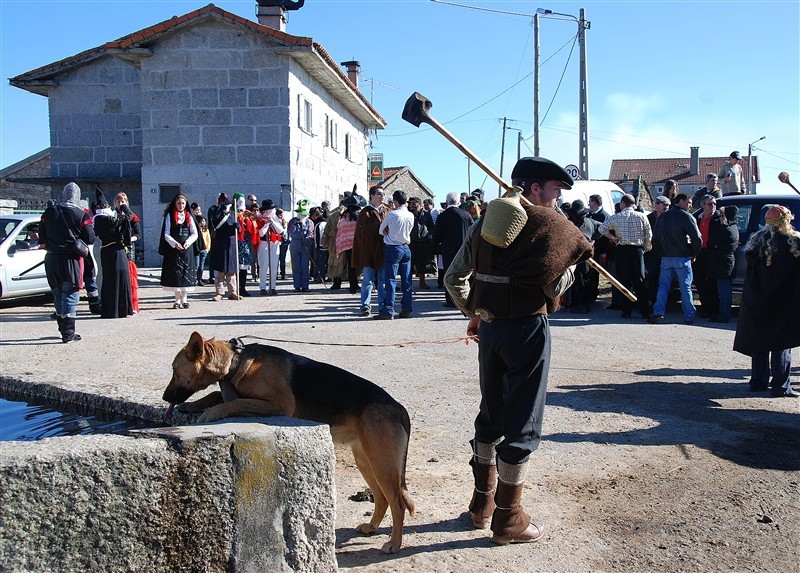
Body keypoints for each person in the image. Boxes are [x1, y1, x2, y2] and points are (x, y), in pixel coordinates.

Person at [445, 156, 592, 545]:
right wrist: (574, 263)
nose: (558, 200)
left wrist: (476, 311)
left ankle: (481, 506)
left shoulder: (483, 221)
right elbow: (554, 289)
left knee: (490, 417)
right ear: (534, 189)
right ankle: (508, 520)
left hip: (490, 331)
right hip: (527, 329)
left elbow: (452, 276)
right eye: (555, 190)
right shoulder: (551, 229)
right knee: (523, 424)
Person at [733, 205, 800, 397]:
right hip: (783, 302)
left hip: (758, 300)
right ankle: (781, 386)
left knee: (760, 342)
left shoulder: (757, 241)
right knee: (781, 343)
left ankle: (758, 382)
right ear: (786, 221)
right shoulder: (793, 243)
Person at [40, 182, 95, 343]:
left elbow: (41, 235)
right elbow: (90, 237)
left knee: (57, 294)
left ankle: (62, 328)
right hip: (71, 259)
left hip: (51, 258)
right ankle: (68, 333)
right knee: (70, 295)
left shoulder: (49, 212)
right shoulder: (81, 214)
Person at [649, 194, 702, 324]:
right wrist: (693, 253)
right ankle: (689, 315)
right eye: (688, 202)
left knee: (663, 286)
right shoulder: (686, 216)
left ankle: (658, 311)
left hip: (666, 258)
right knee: (685, 287)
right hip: (682, 257)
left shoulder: (663, 217)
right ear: (681, 201)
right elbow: (697, 238)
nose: (690, 205)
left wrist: (662, 252)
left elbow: (655, 239)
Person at [598, 194, 652, 319]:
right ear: (633, 204)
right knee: (640, 280)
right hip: (637, 250)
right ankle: (644, 310)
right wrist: (645, 248)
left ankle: (626, 311)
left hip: (622, 249)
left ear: (622, 203)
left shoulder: (616, 217)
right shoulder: (642, 216)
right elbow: (648, 235)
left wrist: (612, 237)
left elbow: (601, 228)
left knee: (624, 281)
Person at [93, 189, 133, 319]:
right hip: (115, 251)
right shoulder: (106, 220)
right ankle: (117, 309)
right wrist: (124, 207)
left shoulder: (98, 220)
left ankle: (115, 308)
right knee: (116, 280)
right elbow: (128, 217)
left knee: (112, 280)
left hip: (109, 250)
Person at [432, 191, 474, 307]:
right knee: (465, 275)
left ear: (447, 202)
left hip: (448, 250)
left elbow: (436, 235)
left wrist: (435, 248)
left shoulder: (442, 216)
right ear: (459, 201)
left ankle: (451, 300)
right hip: (465, 248)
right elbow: (473, 231)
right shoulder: (466, 215)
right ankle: (467, 299)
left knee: (449, 275)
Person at [352, 185, 389, 316]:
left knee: (383, 281)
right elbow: (362, 233)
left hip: (383, 251)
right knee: (367, 280)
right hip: (368, 252)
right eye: (379, 193)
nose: (382, 196)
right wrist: (379, 228)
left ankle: (382, 306)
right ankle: (365, 306)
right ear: (372, 196)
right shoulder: (365, 212)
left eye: (383, 193)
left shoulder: (387, 211)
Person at [377, 190, 414, 320]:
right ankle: (407, 307)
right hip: (406, 247)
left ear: (396, 201)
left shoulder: (392, 214)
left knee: (391, 280)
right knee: (407, 280)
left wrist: (388, 232)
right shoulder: (410, 215)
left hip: (393, 247)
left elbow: (381, 230)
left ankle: (389, 309)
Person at [159, 194, 198, 309]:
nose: (181, 205)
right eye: (179, 203)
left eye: (183, 203)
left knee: (185, 273)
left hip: (186, 249)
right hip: (173, 249)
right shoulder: (170, 216)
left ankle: (185, 299)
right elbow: (166, 233)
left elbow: (194, 233)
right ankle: (177, 300)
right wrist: (175, 243)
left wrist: (188, 242)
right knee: (175, 275)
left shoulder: (189, 216)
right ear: (175, 204)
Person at [565, 200, 600, 313]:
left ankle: (581, 305)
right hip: (585, 254)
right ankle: (582, 303)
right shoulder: (590, 221)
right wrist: (593, 240)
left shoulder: (573, 223)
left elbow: (601, 229)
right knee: (583, 279)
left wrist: (593, 240)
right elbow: (601, 229)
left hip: (580, 255)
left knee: (581, 280)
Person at [707, 205, 739, 323]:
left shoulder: (727, 230)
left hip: (723, 264)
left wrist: (716, 245)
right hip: (726, 262)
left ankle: (723, 315)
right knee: (725, 290)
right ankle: (724, 314)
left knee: (724, 292)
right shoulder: (734, 227)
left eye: (722, 215)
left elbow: (711, 242)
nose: (720, 218)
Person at [692, 195, 721, 319]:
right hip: (700, 253)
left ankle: (714, 310)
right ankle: (705, 307)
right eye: (710, 204)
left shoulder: (719, 219)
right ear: (703, 205)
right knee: (699, 281)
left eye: (714, 204)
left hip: (712, 254)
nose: (713, 206)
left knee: (712, 283)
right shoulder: (696, 219)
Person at [208, 197, 240, 301]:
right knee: (219, 271)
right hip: (220, 244)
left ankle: (233, 292)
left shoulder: (233, 215)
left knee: (231, 271)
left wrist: (236, 227)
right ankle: (219, 292)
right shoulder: (216, 214)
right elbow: (215, 225)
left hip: (231, 244)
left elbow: (238, 230)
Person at [644, 195, 671, 313]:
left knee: (664, 279)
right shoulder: (649, 218)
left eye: (668, 205)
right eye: (663, 204)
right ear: (657, 205)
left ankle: (662, 303)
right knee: (651, 277)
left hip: (666, 252)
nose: (666, 207)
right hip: (651, 252)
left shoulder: (671, 218)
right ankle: (650, 301)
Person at [232, 193, 258, 297]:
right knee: (236, 267)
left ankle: (243, 287)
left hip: (246, 243)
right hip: (236, 243)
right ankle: (235, 289)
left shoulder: (248, 213)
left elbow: (253, 227)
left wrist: (250, 218)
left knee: (244, 267)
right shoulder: (232, 213)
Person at [256, 199, 283, 296]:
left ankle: (273, 287)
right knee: (263, 266)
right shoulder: (260, 218)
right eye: (270, 209)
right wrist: (266, 224)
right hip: (264, 243)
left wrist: (272, 222)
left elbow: (280, 230)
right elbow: (260, 233)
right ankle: (263, 287)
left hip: (274, 243)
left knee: (274, 266)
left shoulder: (275, 217)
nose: (272, 211)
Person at [288, 199, 314, 292]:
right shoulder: (292, 221)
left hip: (305, 246)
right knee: (296, 266)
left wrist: (307, 239)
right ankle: (297, 285)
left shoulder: (309, 222)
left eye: (304, 214)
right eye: (301, 214)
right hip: (295, 244)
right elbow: (290, 232)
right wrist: (297, 225)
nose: (303, 216)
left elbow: (311, 233)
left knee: (304, 266)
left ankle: (305, 285)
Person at [408, 196, 434, 290]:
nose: (411, 205)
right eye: (410, 203)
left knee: (422, 263)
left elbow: (431, 226)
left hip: (423, 242)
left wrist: (428, 234)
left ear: (419, 204)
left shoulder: (426, 214)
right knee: (410, 263)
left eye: (413, 203)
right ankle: (408, 284)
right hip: (411, 242)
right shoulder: (408, 214)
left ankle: (422, 283)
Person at [276, 208, 289, 280]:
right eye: (279, 214)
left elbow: (286, 232)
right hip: (278, 241)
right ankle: (276, 273)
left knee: (282, 259)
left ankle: (283, 273)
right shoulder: (276, 221)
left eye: (282, 214)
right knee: (277, 259)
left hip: (284, 242)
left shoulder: (284, 222)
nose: (281, 215)